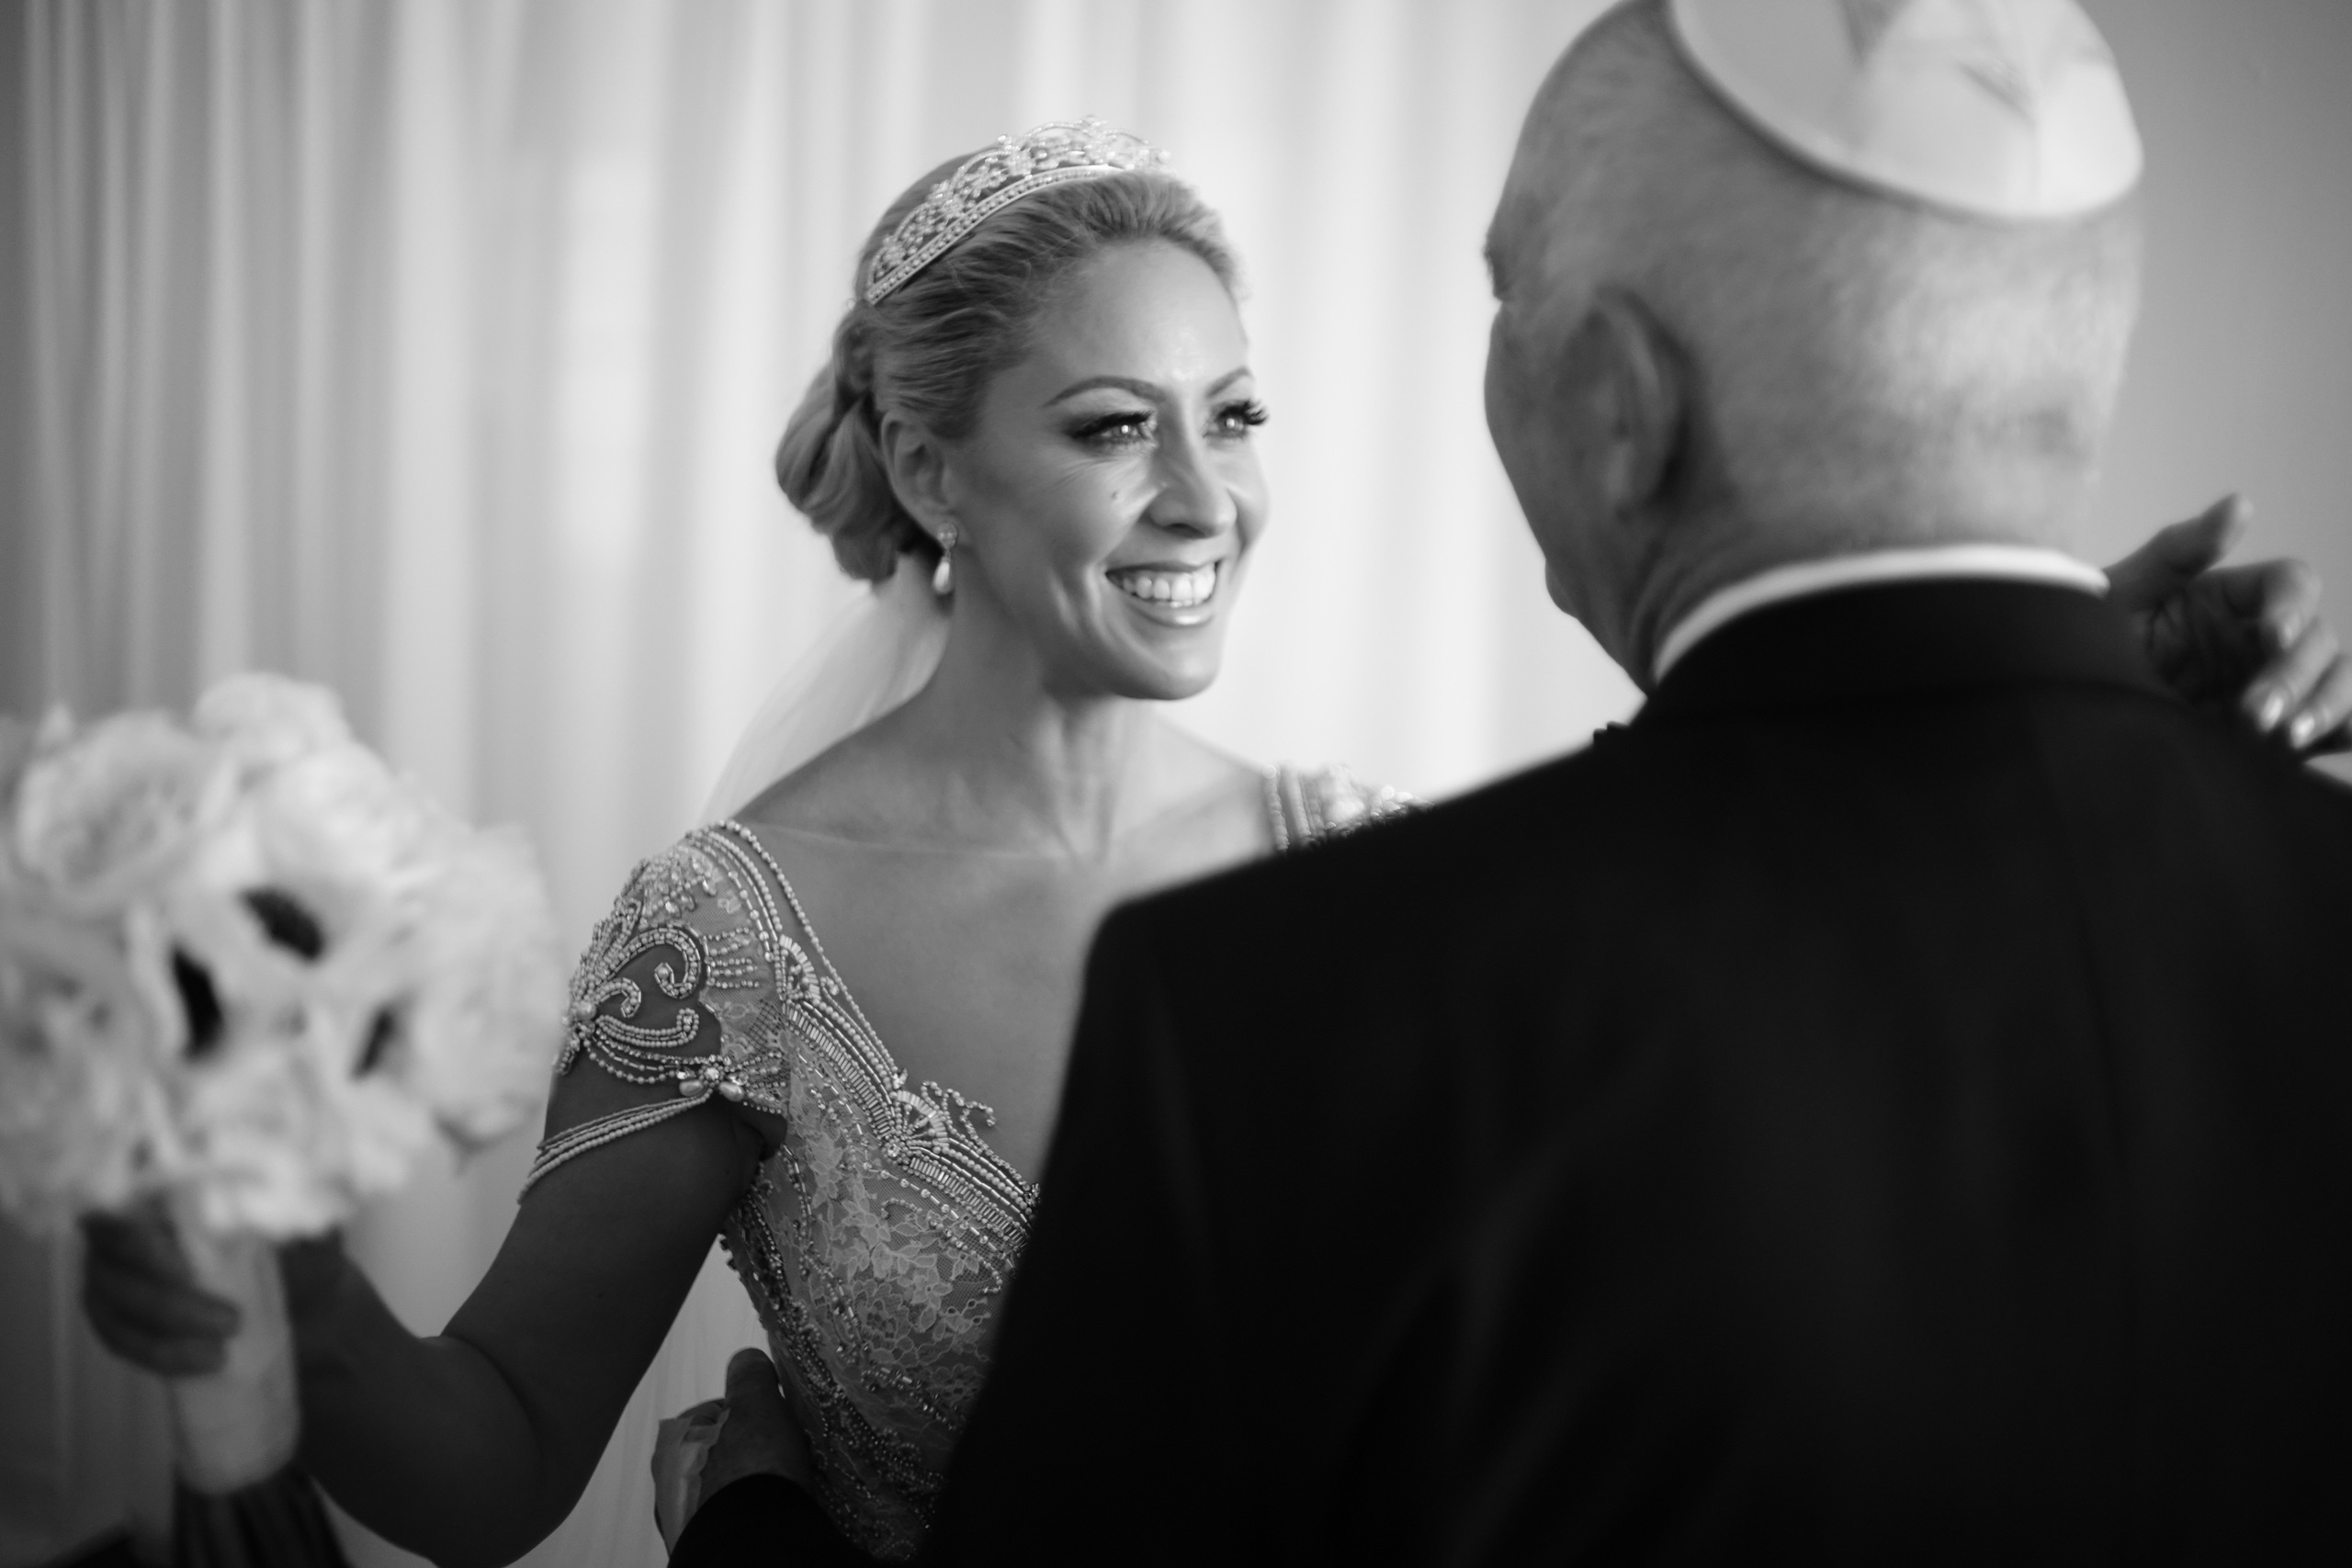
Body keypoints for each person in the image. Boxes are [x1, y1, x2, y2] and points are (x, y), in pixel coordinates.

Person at [78, 74, 2347, 1568]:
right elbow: (488, 1455)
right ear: (932, 472)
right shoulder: (737, 925)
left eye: (1234, 412)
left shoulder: (1353, 853)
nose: (1204, 498)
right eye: (1110, 426)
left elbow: (1698, 965)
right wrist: (262, 1254)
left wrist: (2049, 727)